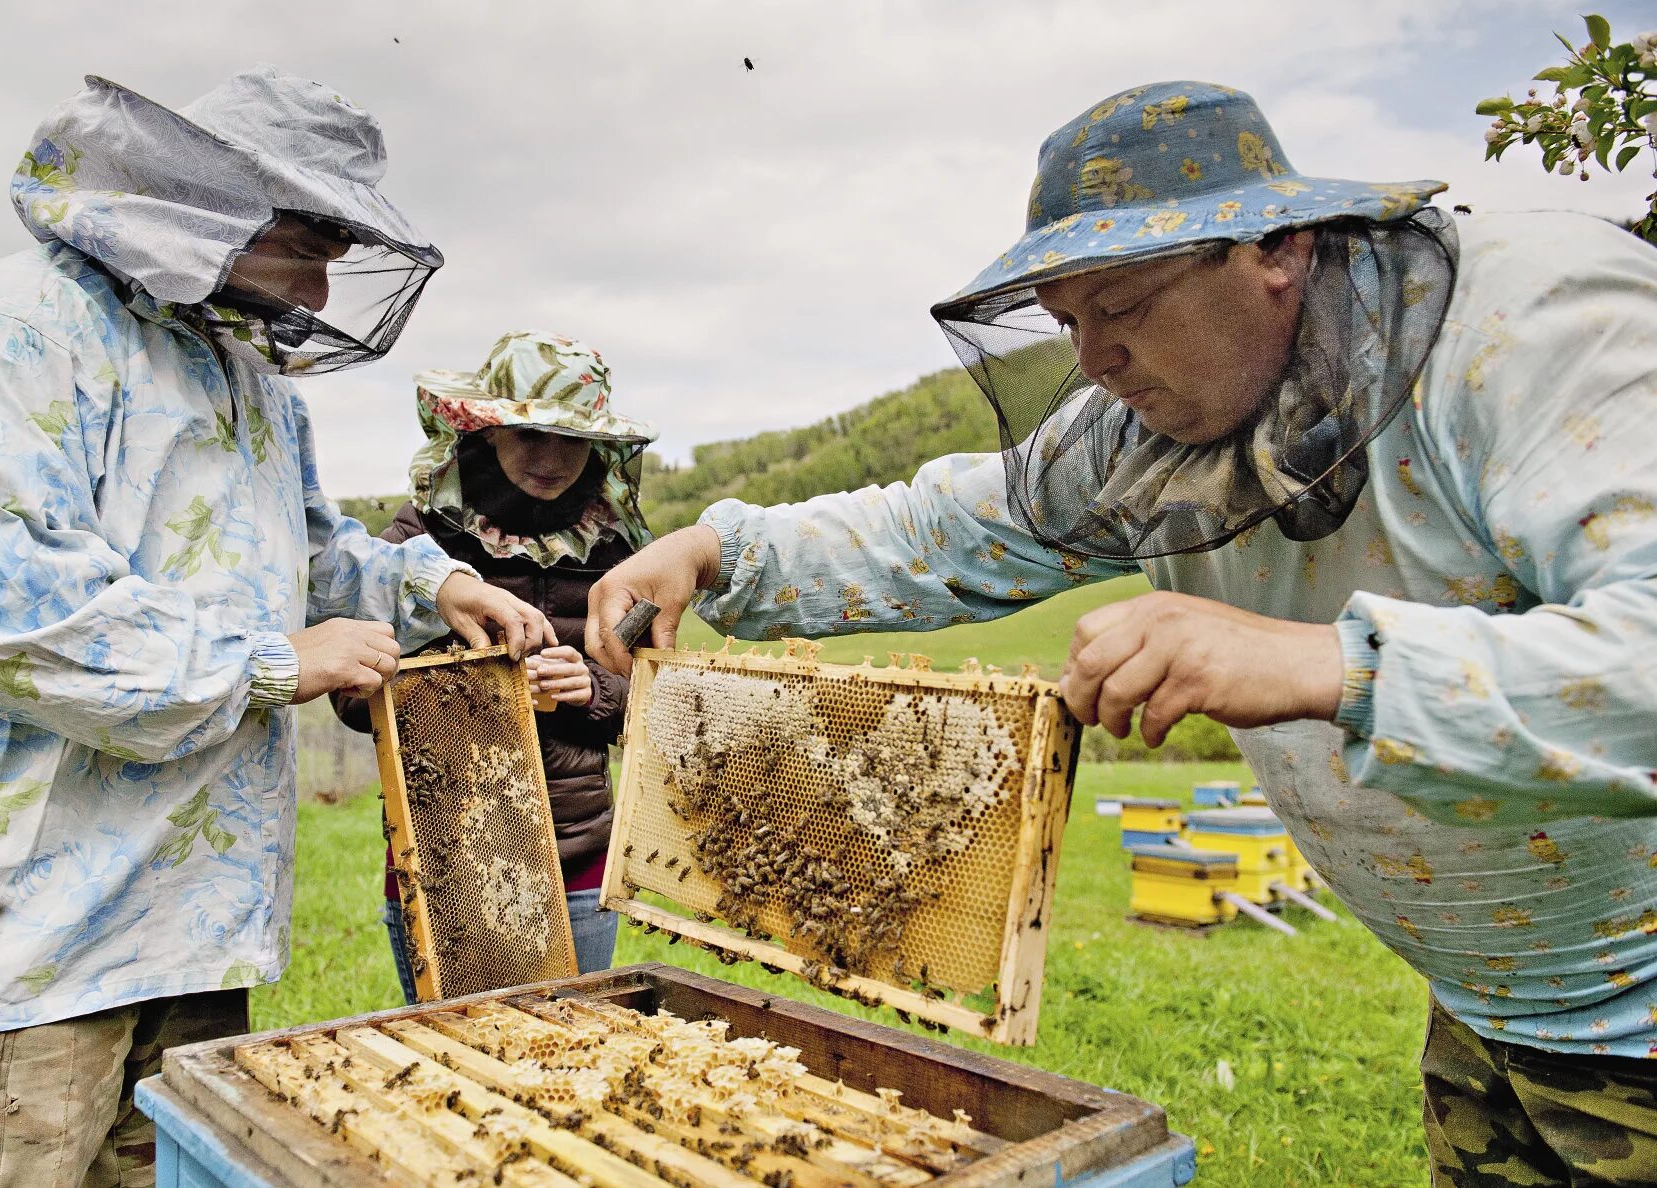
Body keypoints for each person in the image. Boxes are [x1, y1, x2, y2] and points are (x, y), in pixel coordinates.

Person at [590, 80, 1657, 1185]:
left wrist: (1320, 661)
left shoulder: (1539, 328)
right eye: (1065, 322)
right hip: (1495, 1003)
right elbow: (948, 527)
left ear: (1274, 248)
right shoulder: (1143, 430)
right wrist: (724, 549)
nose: (1092, 357)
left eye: (1125, 305)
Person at [0, 67, 551, 1188]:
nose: (323, 288)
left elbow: (307, 552)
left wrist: (430, 588)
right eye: (310, 240)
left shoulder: (249, 377)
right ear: (209, 201)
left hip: (189, 920)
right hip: (23, 935)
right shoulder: (15, 326)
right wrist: (274, 662)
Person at [335, 330, 655, 1001]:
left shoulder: (625, 553)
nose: (552, 457)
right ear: (482, 431)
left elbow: (654, 691)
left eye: (572, 438)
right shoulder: (417, 539)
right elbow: (346, 691)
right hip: (445, 846)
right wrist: (454, 681)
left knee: (583, 1055)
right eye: (529, 434)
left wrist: (592, 689)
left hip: (578, 856)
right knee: (455, 1059)